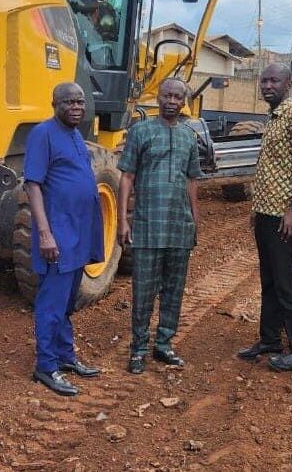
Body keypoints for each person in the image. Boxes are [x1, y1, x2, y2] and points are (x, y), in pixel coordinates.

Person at [117, 78, 202, 374]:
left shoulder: (189, 136)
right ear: (159, 97)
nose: (171, 101)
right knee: (143, 290)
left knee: (174, 290)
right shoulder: (140, 131)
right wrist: (121, 221)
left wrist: (194, 219)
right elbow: (126, 177)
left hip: (179, 226)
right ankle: (138, 349)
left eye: (177, 97)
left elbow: (192, 180)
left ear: (183, 101)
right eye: (167, 95)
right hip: (147, 224)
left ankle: (164, 345)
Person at [24, 82, 103, 396]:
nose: (76, 107)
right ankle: (46, 366)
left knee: (67, 303)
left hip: (79, 234)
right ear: (54, 103)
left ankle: (66, 357)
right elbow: (32, 185)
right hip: (58, 235)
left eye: (80, 102)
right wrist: (44, 234)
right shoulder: (43, 134)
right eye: (69, 102)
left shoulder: (75, 135)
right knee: (51, 304)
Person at [237, 63, 292, 372]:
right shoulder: (274, 117)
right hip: (266, 213)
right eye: (264, 80)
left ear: (288, 83)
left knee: (285, 282)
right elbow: (271, 168)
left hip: (284, 216)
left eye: (274, 80)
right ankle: (270, 339)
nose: (268, 85)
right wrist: (257, 209)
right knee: (268, 279)